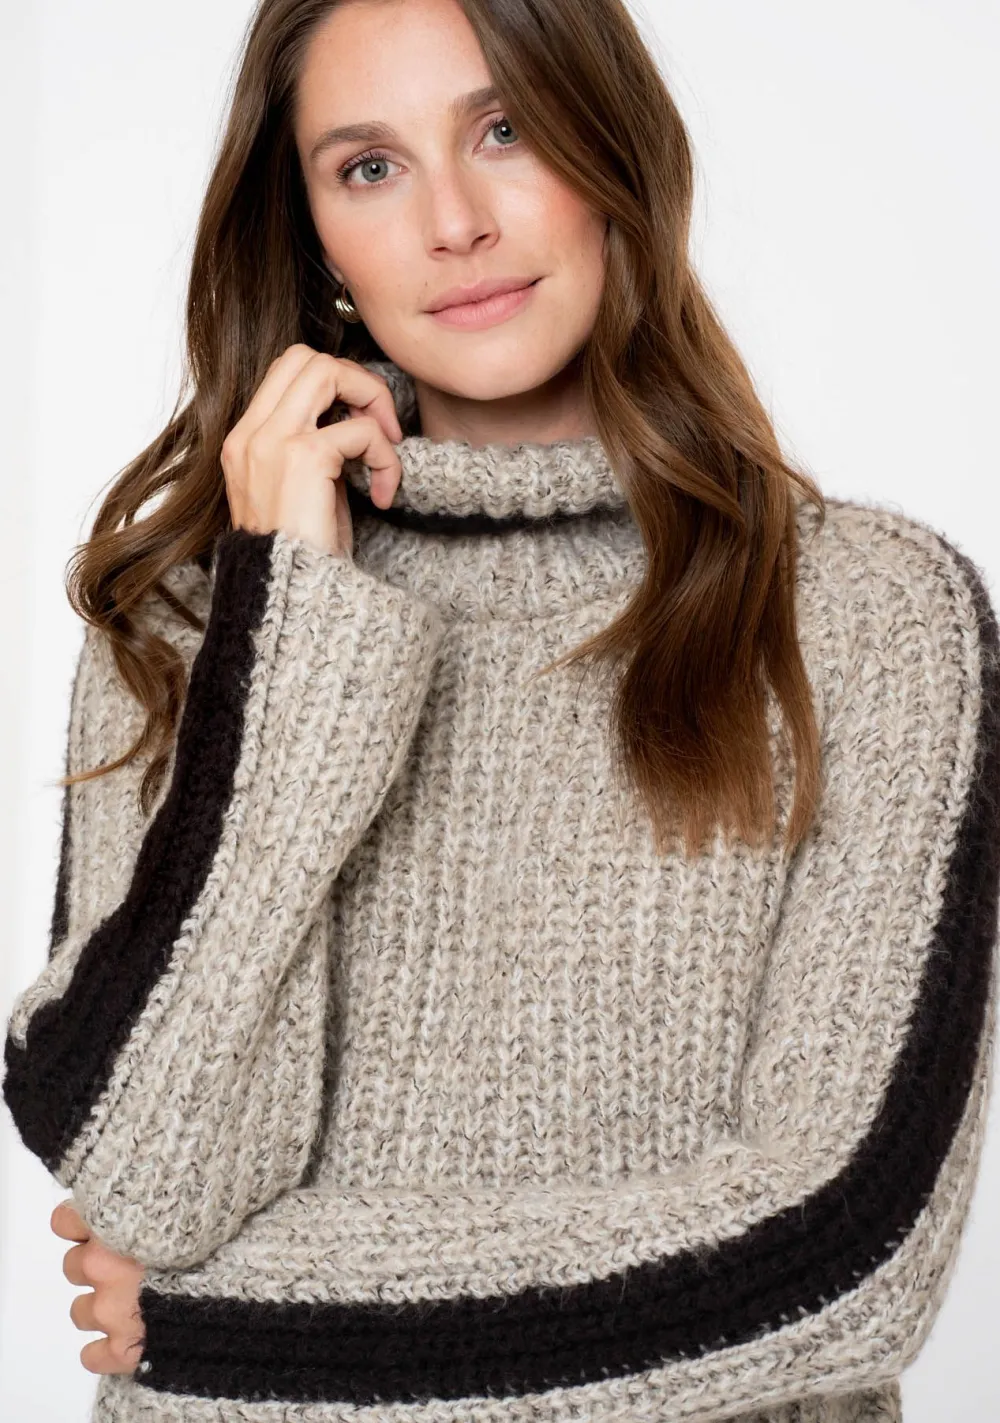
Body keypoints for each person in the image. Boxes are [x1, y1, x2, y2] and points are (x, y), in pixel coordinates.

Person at [4, 0, 997, 1420]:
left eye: (506, 129)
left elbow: (845, 1254)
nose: (454, 223)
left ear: (615, 153)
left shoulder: (866, 619)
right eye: (370, 167)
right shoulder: (186, 631)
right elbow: (152, 1176)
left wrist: (232, 1326)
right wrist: (290, 645)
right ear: (313, 235)